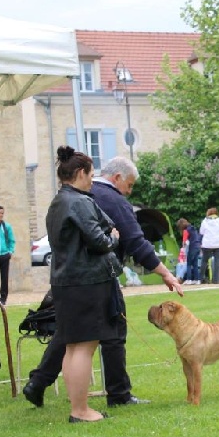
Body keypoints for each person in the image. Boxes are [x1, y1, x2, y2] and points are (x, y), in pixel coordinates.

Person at [24, 156, 184, 410]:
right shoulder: (101, 200)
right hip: (94, 278)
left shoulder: (62, 199)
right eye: (129, 185)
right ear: (116, 177)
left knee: (69, 335)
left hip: (65, 278)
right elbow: (128, 241)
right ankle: (114, 395)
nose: (130, 192)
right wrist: (165, 272)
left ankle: (39, 381)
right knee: (109, 333)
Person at [42, 146, 122, 423]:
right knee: (85, 346)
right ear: (79, 173)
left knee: (73, 346)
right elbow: (100, 240)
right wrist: (113, 238)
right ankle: (80, 410)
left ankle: (78, 407)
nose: (92, 180)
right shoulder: (79, 202)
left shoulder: (58, 201)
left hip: (65, 282)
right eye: (90, 174)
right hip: (86, 282)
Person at [199, 208, 219, 284]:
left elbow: (201, 232)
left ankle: (201, 279)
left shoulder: (204, 221)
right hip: (218, 244)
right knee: (217, 261)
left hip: (207, 244)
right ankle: (216, 280)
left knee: (204, 261)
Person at [176, 218, 201, 285]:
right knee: (195, 264)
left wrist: (184, 249)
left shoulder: (186, 231)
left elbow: (184, 241)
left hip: (192, 248)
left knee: (189, 264)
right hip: (198, 247)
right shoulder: (193, 228)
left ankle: (189, 279)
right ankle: (197, 280)